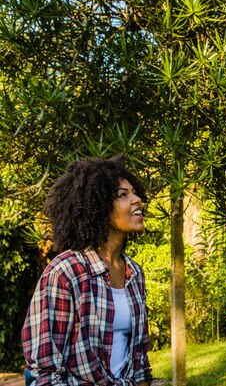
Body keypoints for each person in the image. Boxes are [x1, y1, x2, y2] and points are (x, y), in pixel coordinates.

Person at [22, 155, 153, 386]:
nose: (137, 200)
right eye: (123, 195)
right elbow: (44, 372)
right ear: (97, 206)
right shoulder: (64, 274)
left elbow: (140, 363)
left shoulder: (134, 273)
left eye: (134, 192)